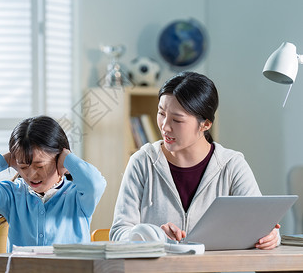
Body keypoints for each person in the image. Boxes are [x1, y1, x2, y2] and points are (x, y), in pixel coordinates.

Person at [110, 71, 280, 250]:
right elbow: (119, 231)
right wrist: (153, 235)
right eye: (161, 113)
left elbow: (258, 223)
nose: (165, 126)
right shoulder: (142, 162)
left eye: (177, 120)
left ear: (205, 124)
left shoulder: (232, 165)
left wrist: (270, 236)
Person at [0, 115, 106, 252]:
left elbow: (95, 184)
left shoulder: (78, 197)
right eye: (23, 166)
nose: (31, 175)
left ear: (58, 158)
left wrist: (67, 158)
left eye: (39, 166)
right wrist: (5, 160)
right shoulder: (12, 196)